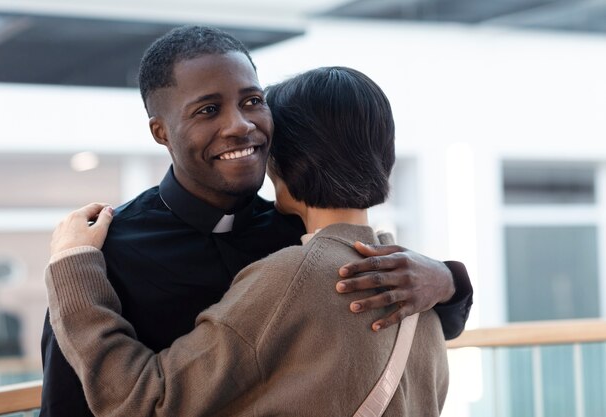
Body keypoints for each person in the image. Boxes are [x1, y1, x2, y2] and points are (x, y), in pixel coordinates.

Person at [40, 26, 472, 416]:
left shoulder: (301, 240)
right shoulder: (105, 255)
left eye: (252, 101)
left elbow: (420, 327)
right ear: (161, 132)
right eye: (208, 110)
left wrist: (447, 281)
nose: (240, 125)